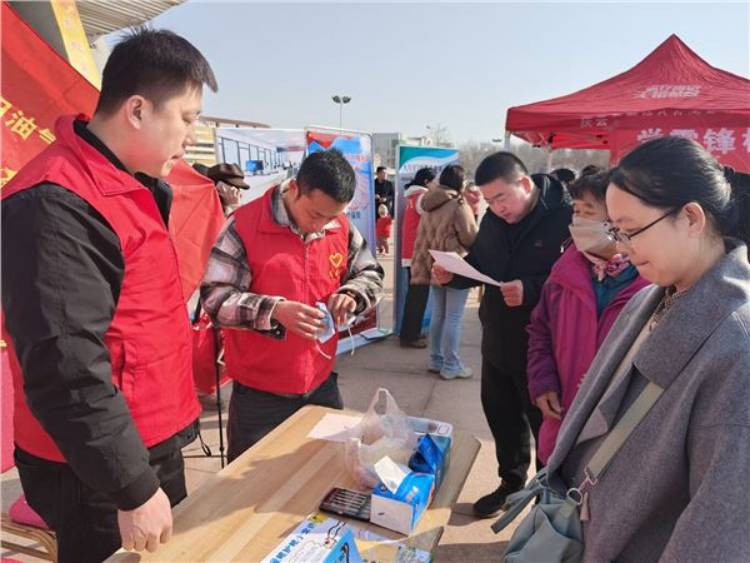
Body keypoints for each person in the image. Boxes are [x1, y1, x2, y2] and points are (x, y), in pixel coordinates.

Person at [1, 29, 217, 561]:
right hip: (96, 472)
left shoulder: (128, 183)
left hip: (139, 445)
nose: (191, 136)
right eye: (187, 118)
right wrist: (132, 487)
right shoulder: (56, 204)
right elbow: (66, 365)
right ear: (139, 110)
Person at [547, 137, 750, 561]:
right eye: (616, 231)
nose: (621, 246)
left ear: (691, 217)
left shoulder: (738, 343)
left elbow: (721, 524)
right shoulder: (652, 295)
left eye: (633, 229)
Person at [200, 149, 384, 462]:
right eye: (315, 215)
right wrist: (275, 311)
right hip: (260, 397)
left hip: (321, 384)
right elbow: (216, 300)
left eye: (332, 216)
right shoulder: (243, 226)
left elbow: (371, 273)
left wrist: (352, 293)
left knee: (323, 476)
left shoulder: (338, 227)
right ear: (295, 188)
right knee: (251, 488)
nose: (322, 226)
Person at [432, 152, 571, 517]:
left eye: (502, 198)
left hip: (544, 348)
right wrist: (454, 274)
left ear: (524, 185)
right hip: (497, 338)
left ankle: (549, 498)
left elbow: (581, 282)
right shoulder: (494, 220)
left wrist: (531, 288)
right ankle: (511, 482)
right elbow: (481, 265)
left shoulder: (566, 217)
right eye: (489, 201)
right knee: (502, 416)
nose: (496, 208)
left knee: (546, 425)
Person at [526, 171, 649, 465]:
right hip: (563, 418)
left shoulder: (650, 283)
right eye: (575, 211)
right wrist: (542, 382)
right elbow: (540, 332)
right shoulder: (563, 272)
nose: (578, 221)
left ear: (618, 221)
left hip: (618, 436)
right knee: (553, 504)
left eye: (588, 212)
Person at [411, 165, 478, 379]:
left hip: (432, 264)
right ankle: (451, 364)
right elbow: (470, 237)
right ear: (460, 181)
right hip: (453, 265)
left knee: (439, 314)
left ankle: (436, 359)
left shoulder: (429, 203)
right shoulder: (458, 205)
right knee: (454, 317)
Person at [399, 167, 437, 348]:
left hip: (411, 253)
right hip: (418, 254)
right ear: (426, 182)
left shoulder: (412, 197)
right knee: (418, 297)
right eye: (435, 181)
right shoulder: (423, 197)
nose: (436, 185)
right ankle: (409, 337)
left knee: (415, 296)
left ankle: (410, 333)